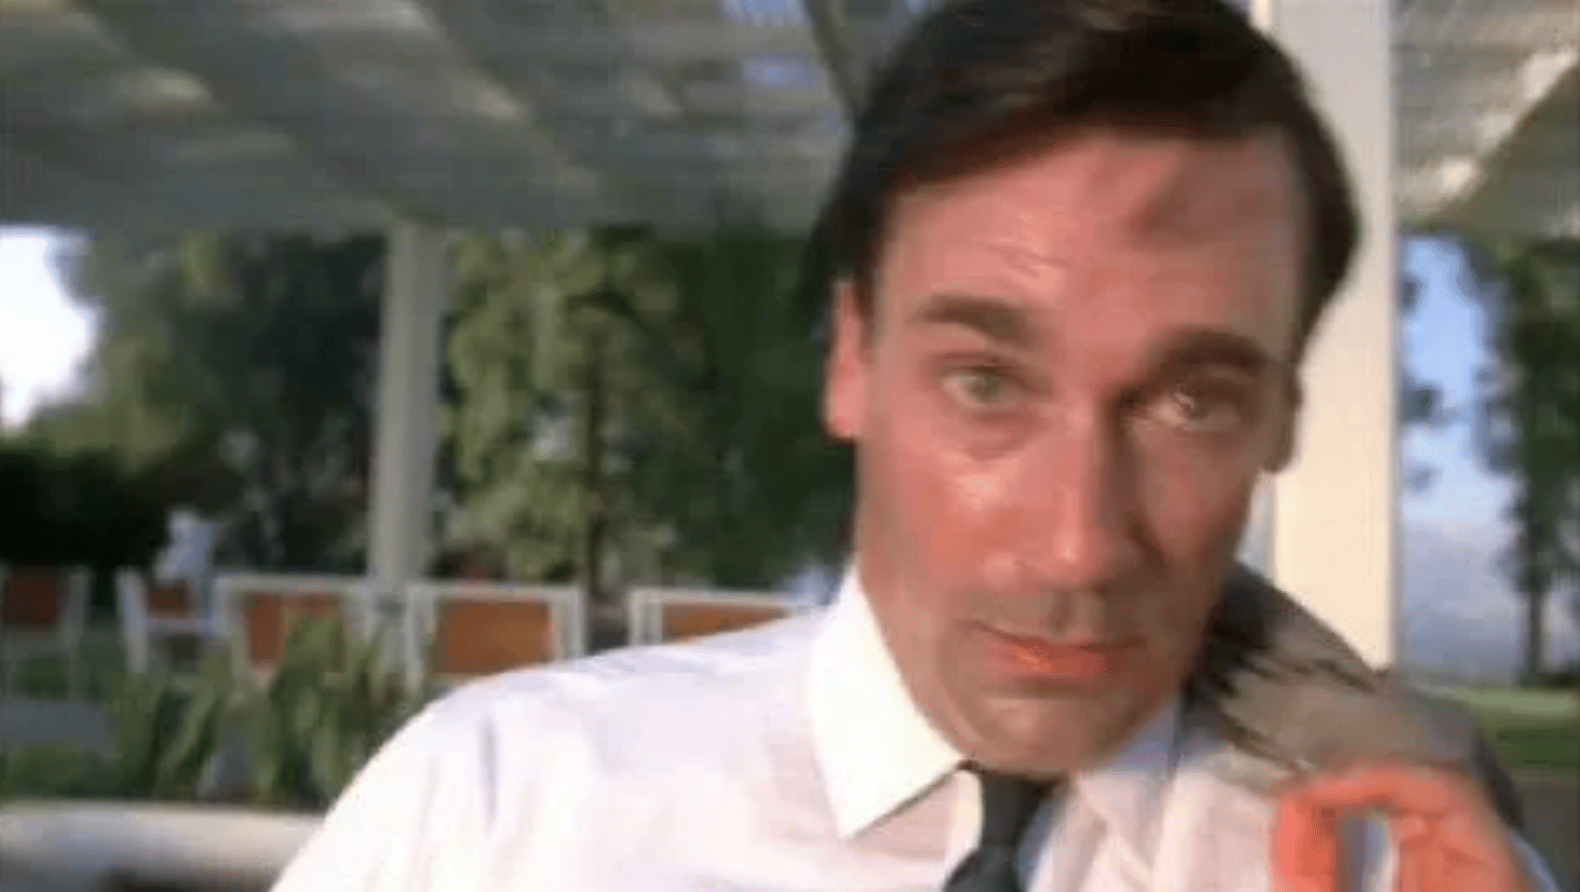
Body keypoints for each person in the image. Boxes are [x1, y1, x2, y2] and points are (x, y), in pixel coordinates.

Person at [271, 1, 1562, 890]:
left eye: (1190, 402)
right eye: (987, 383)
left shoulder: (1415, 874)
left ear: (1281, 418)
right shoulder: (494, 813)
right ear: (851, 357)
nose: (1078, 545)